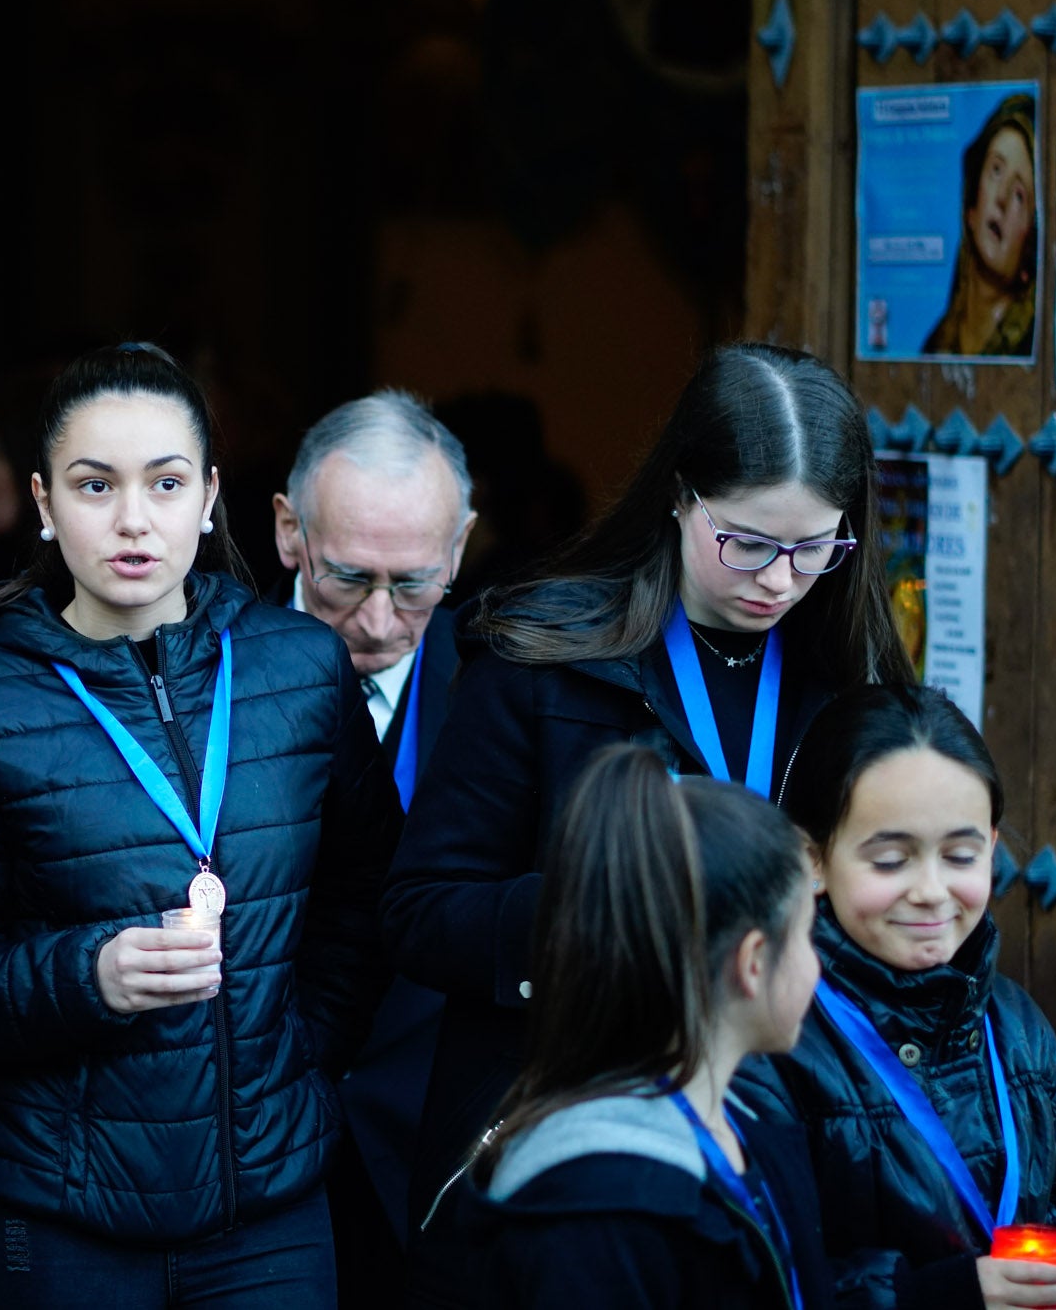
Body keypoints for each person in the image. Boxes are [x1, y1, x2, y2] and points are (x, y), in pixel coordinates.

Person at [381, 341, 916, 1306]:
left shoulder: (850, 676)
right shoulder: (539, 657)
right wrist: (620, 911)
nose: (779, 580)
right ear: (679, 496)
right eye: (747, 541)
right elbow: (419, 911)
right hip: (565, 1121)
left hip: (779, 1111)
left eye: (814, 546)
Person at [0, 342, 403, 1309]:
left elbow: (368, 895)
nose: (133, 519)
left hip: (271, 1213)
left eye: (164, 483)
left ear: (209, 497)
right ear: (43, 503)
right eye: (94, 484)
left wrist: (298, 1054)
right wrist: (90, 976)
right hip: (53, 1210)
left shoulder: (303, 669)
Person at [735, 685, 1056, 1309]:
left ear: (993, 851)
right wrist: (942, 1297)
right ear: (811, 859)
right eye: (891, 860)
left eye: (960, 855)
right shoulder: (768, 1039)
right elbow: (753, 1278)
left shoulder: (1021, 1030)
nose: (930, 891)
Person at [454, 745, 832, 1309]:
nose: (816, 963)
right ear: (753, 962)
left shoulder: (749, 1130)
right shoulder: (595, 1209)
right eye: (806, 933)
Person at [270, 388, 476, 1295]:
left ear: (462, 546)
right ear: (289, 532)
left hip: (434, 1169)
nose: (383, 623)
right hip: (249, 1161)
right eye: (347, 579)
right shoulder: (197, 662)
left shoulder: (507, 692)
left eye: (416, 584)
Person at [922, 94, 1036, 358]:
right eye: (996, 170)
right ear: (971, 208)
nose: (1002, 198)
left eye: (1020, 195)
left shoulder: (1025, 354)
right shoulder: (936, 345)